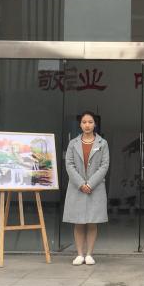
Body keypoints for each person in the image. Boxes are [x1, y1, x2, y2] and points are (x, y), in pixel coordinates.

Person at [63, 111, 110, 266]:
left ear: (95, 124)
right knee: (78, 222)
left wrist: (90, 184)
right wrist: (81, 184)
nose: (87, 125)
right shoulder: (73, 143)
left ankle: (89, 254)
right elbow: (69, 164)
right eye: (84, 122)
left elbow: (104, 165)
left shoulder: (103, 143)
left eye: (90, 122)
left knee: (92, 222)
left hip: (95, 188)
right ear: (80, 124)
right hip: (77, 188)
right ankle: (79, 254)